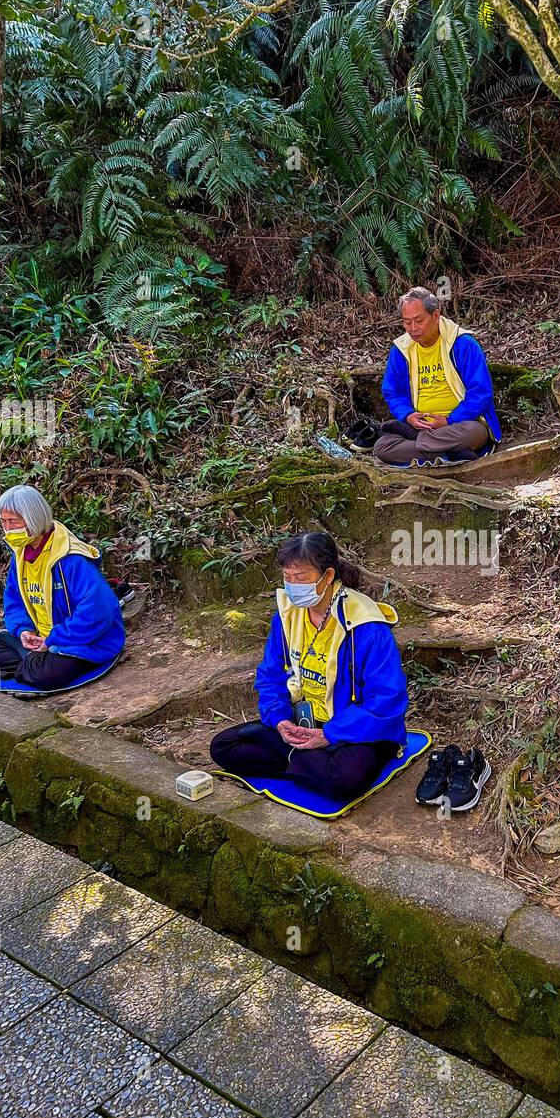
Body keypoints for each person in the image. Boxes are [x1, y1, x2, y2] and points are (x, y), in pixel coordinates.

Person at [210, 531, 408, 799]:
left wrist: (329, 734)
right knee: (223, 746)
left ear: (327, 576)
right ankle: (305, 759)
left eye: (301, 578)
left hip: (354, 731)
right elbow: (270, 675)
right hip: (303, 721)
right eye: (287, 578)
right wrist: (280, 720)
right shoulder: (287, 615)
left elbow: (387, 699)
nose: (292, 587)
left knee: (344, 779)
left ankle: (300, 759)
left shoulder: (366, 625)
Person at [0, 485, 125, 690]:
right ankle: (31, 660)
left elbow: (97, 612)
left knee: (44, 674)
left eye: (14, 521)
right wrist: (24, 630)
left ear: (33, 519)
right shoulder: (21, 554)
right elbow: (14, 599)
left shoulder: (71, 558)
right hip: (40, 639)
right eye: (4, 521)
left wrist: (53, 639)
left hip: (76, 641)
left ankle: (34, 662)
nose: (8, 529)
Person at [372, 286, 502, 467]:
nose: (413, 328)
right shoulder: (401, 351)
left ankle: (420, 442)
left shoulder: (462, 344)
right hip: (421, 424)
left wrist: (449, 420)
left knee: (474, 433)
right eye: (407, 322)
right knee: (382, 446)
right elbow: (393, 392)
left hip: (461, 423)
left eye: (419, 321)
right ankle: (450, 453)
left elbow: (481, 392)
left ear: (436, 315)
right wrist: (408, 416)